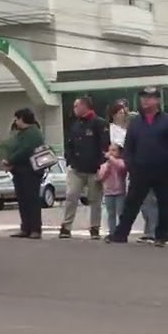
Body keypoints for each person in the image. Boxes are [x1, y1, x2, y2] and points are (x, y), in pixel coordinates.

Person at [108, 87, 168, 246]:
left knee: (164, 204)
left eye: (149, 97)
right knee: (131, 203)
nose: (145, 100)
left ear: (157, 100)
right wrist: (131, 165)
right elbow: (128, 148)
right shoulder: (136, 123)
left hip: (164, 170)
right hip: (140, 170)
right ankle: (121, 234)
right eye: (143, 97)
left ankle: (161, 236)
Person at [60, 96, 109, 239]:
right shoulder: (75, 125)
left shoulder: (99, 123)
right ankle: (66, 226)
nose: (74, 109)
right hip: (76, 168)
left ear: (84, 106)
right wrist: (69, 159)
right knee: (71, 196)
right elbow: (69, 144)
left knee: (95, 200)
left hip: (94, 169)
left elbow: (104, 145)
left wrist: (101, 164)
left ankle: (95, 227)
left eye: (76, 106)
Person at [0, 107, 46, 239]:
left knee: (32, 200)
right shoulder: (21, 133)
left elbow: (26, 150)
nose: (16, 121)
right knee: (23, 200)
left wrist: (10, 160)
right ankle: (25, 227)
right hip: (19, 171)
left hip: (30, 172)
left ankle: (35, 228)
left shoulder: (33, 133)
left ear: (22, 119)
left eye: (17, 118)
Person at [98, 143, 128, 236]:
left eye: (114, 150)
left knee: (120, 212)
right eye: (110, 150)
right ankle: (112, 231)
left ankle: (121, 231)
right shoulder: (105, 165)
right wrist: (107, 168)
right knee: (111, 213)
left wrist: (111, 159)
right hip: (108, 192)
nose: (111, 152)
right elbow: (100, 177)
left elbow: (122, 168)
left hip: (120, 192)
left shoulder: (121, 162)